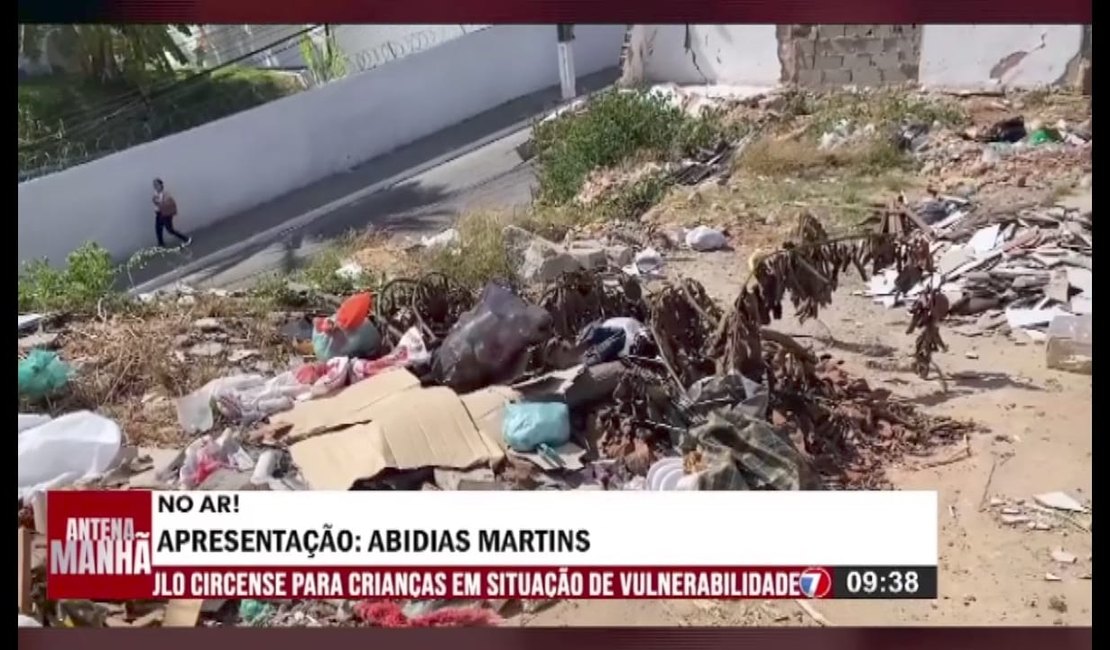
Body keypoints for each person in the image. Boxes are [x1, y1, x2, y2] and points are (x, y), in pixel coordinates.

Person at [152, 178, 191, 248]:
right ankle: (161, 244)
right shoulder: (155, 193)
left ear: (161, 185)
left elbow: (167, 203)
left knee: (170, 230)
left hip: (165, 213)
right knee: (158, 229)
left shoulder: (165, 193)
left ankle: (186, 239)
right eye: (154, 185)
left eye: (157, 184)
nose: (155, 186)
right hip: (159, 213)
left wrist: (157, 202)